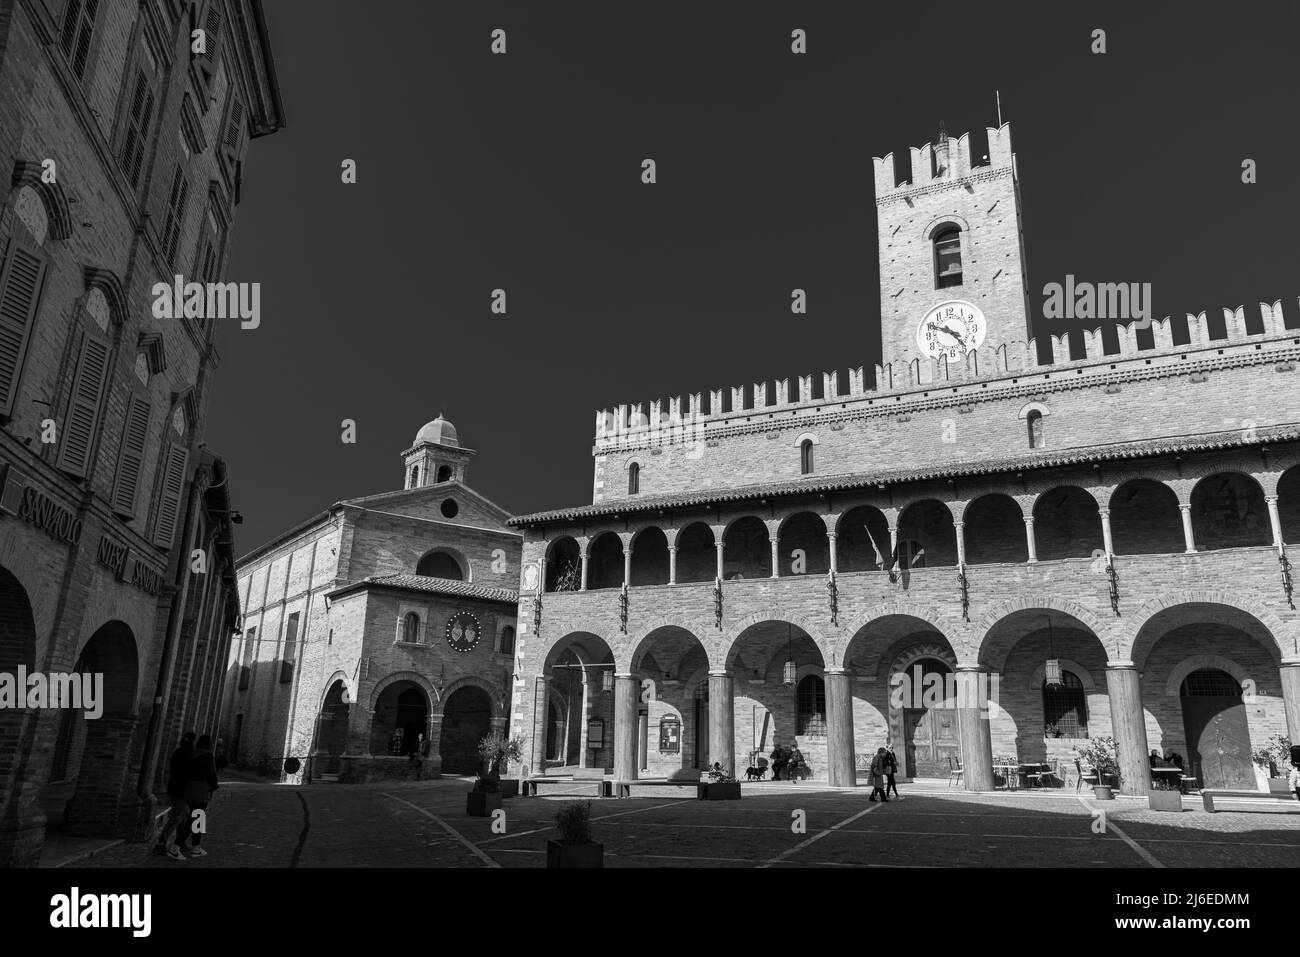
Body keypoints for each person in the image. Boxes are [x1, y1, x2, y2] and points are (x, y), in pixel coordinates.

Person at [154, 731, 195, 860]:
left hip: (174, 787)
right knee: (178, 816)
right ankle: (161, 842)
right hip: (183, 789)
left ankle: (180, 841)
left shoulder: (178, 752)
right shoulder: (189, 754)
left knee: (182, 815)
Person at [178, 734, 220, 858]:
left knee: (198, 818)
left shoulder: (193, 755)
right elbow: (212, 775)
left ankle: (196, 847)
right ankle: (176, 846)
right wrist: (213, 788)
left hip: (190, 789)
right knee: (195, 819)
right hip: (201, 790)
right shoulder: (208, 756)